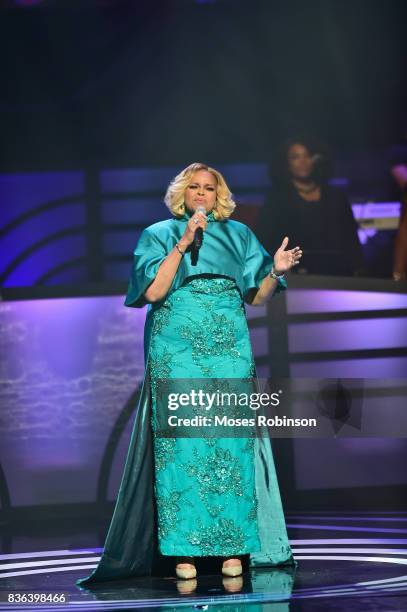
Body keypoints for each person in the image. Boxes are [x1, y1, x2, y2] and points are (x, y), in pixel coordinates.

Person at [76, 162, 301, 587]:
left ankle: (234, 547)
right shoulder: (157, 234)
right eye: (194, 187)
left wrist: (276, 271)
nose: (201, 194)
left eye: (209, 188)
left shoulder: (238, 235)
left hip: (229, 349)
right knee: (182, 449)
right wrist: (182, 244)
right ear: (182, 193)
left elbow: (256, 297)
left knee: (230, 448)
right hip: (176, 351)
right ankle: (184, 551)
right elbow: (155, 293)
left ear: (219, 195)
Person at [256, 137, 365, 277]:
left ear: (317, 160)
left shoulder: (336, 196)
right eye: (295, 157)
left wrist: (359, 268)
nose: (303, 161)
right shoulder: (277, 199)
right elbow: (264, 239)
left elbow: (351, 238)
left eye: (307, 156)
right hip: (294, 275)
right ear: (286, 164)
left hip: (337, 273)